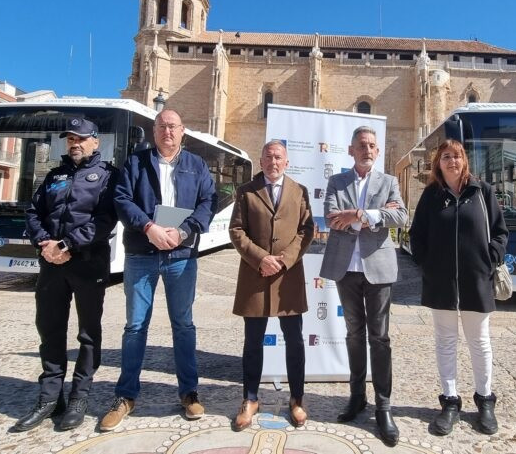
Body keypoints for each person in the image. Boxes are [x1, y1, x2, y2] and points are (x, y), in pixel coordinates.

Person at [99, 109, 217, 431]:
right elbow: (122, 199)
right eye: (162, 126)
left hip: (181, 255)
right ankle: (125, 396)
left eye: (173, 126)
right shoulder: (137, 162)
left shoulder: (196, 165)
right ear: (155, 132)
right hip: (142, 253)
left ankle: (189, 393)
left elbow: (209, 201)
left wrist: (184, 231)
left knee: (183, 324)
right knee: (135, 326)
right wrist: (148, 226)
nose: (168, 131)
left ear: (183, 132)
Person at [11, 118, 119, 433]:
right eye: (71, 138)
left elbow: (105, 219)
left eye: (81, 138)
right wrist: (44, 242)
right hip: (51, 264)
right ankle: (49, 398)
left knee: (88, 334)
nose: (75, 143)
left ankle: (78, 398)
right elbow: (33, 212)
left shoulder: (108, 176)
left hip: (88, 263)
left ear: (95, 142)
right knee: (50, 329)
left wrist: (67, 243)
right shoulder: (54, 175)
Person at [409, 140, 509, 436]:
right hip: (441, 282)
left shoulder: (482, 191)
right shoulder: (431, 195)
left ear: (464, 161)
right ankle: (450, 400)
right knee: (446, 341)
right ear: (438, 163)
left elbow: (500, 232)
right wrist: (427, 264)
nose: (452, 161)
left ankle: (485, 400)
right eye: (446, 157)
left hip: (476, 280)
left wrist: (490, 260)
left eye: (457, 156)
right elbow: (417, 234)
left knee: (479, 342)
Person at [318, 125, 408, 447]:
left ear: (378, 152)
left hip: (379, 270)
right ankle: (357, 397)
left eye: (372, 145)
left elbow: (402, 217)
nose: (368, 149)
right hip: (347, 269)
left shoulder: (389, 182)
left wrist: (358, 214)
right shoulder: (336, 181)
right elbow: (331, 218)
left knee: (379, 338)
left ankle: (383, 406)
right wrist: (375, 216)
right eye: (362, 145)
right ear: (351, 150)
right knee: (354, 334)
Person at [228, 140, 315, 431]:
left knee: (295, 341)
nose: (273, 162)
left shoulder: (299, 191)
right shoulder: (246, 192)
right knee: (253, 342)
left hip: (287, 277)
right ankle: (250, 398)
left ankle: (297, 398)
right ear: (261, 161)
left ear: (286, 162)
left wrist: (285, 259)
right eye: (267, 157)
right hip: (256, 275)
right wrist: (261, 258)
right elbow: (236, 230)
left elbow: (307, 230)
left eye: (278, 157)